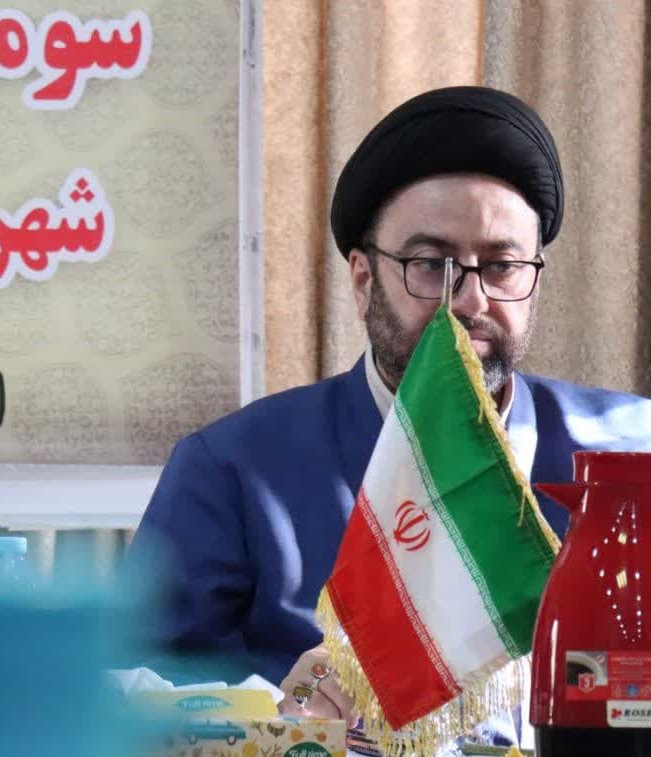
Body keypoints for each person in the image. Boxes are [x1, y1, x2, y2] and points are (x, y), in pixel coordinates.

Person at [129, 85, 651, 705]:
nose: (470, 301)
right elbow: (127, 695)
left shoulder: (631, 454)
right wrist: (273, 715)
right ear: (362, 280)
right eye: (431, 264)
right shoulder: (233, 471)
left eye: (501, 266)